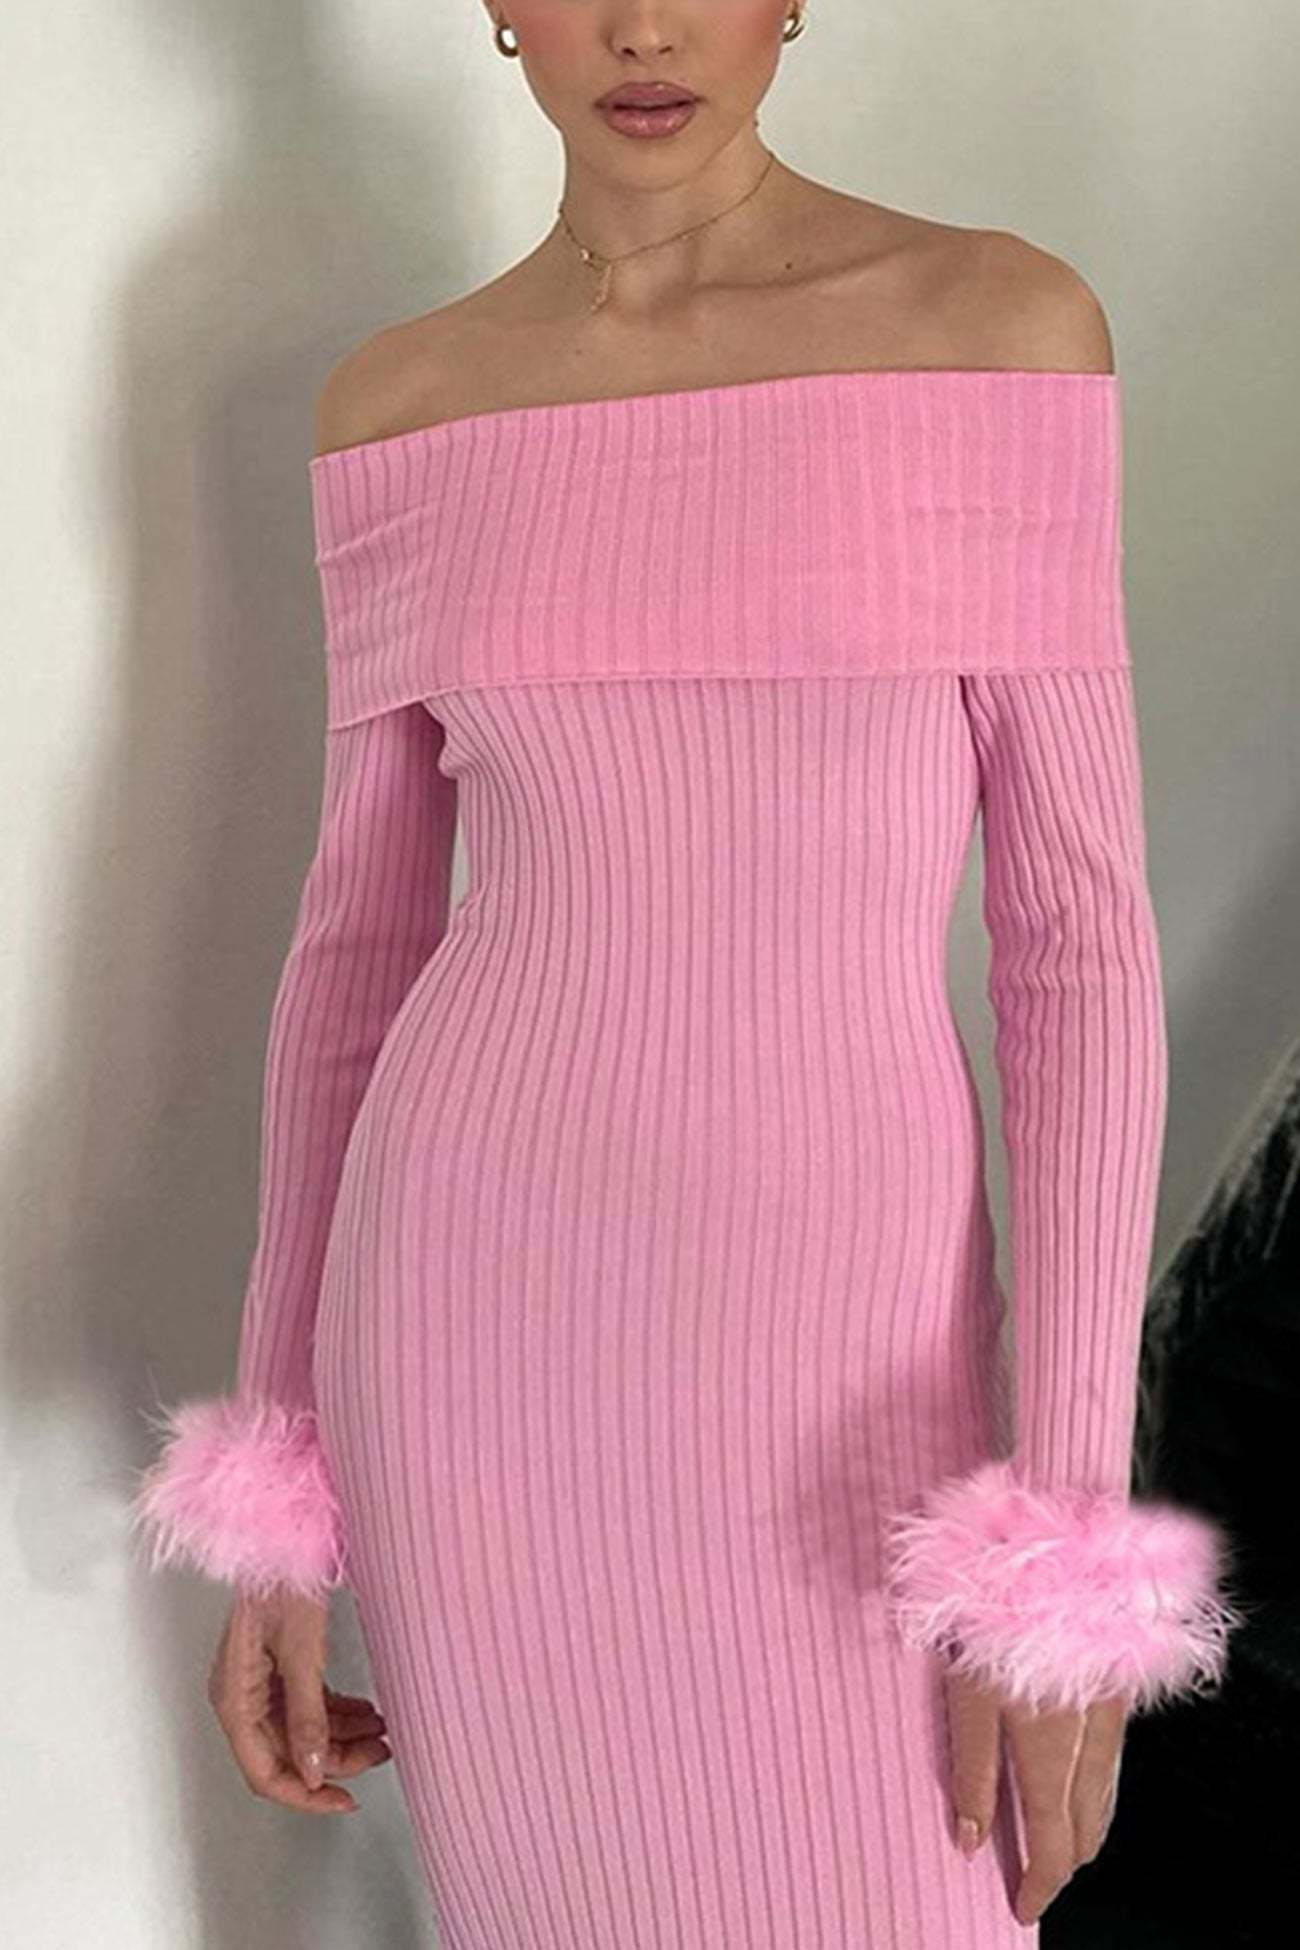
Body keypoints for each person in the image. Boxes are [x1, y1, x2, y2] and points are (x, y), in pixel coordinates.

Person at [128, 5, 1244, 1944]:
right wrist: (279, 1485)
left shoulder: (991, 330)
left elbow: (1076, 943)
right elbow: (354, 955)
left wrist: (1061, 1532)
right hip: (476, 1348)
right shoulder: (406, 406)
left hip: (856, 1371)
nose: (643, 26)